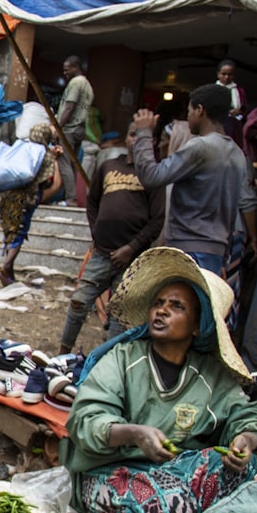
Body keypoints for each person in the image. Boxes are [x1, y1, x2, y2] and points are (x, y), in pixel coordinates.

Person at [61, 247, 257, 513]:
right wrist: (135, 434)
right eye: (158, 303)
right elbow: (86, 421)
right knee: (161, 507)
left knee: (238, 469)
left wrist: (245, 440)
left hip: (173, 476)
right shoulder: (123, 360)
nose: (161, 311)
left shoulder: (210, 376)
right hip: (108, 473)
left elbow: (248, 415)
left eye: (176, 306)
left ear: (197, 326)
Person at [59, 122, 166, 354]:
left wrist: (131, 247)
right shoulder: (108, 166)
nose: (135, 140)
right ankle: (62, 355)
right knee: (78, 302)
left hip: (131, 259)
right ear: (125, 138)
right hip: (101, 252)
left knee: (118, 314)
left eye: (142, 136)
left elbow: (157, 221)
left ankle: (105, 362)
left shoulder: (153, 175)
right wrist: (96, 232)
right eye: (131, 134)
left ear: (152, 142)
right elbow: (93, 202)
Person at [132, 84, 257, 275]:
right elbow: (233, 208)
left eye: (190, 110)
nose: (188, 117)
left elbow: (151, 177)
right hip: (215, 250)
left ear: (200, 110)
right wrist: (224, 257)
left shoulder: (200, 147)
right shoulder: (236, 153)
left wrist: (143, 133)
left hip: (188, 248)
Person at [0, 122, 61, 286]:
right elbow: (48, 182)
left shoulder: (20, 147)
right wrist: (55, 160)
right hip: (26, 199)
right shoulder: (45, 154)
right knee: (19, 231)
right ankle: (6, 267)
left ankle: (9, 271)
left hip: (5, 195)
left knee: (10, 229)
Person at [55, 56, 94, 207]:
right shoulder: (88, 84)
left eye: (67, 69)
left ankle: (70, 198)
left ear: (75, 67)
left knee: (64, 162)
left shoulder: (76, 83)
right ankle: (71, 197)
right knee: (73, 164)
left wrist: (58, 129)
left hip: (70, 129)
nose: (65, 73)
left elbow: (69, 107)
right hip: (80, 128)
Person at [215, 59, 246, 147]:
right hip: (218, 126)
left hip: (235, 128)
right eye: (223, 74)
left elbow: (245, 110)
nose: (226, 77)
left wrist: (239, 112)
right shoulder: (212, 91)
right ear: (218, 74)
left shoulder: (239, 91)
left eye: (230, 74)